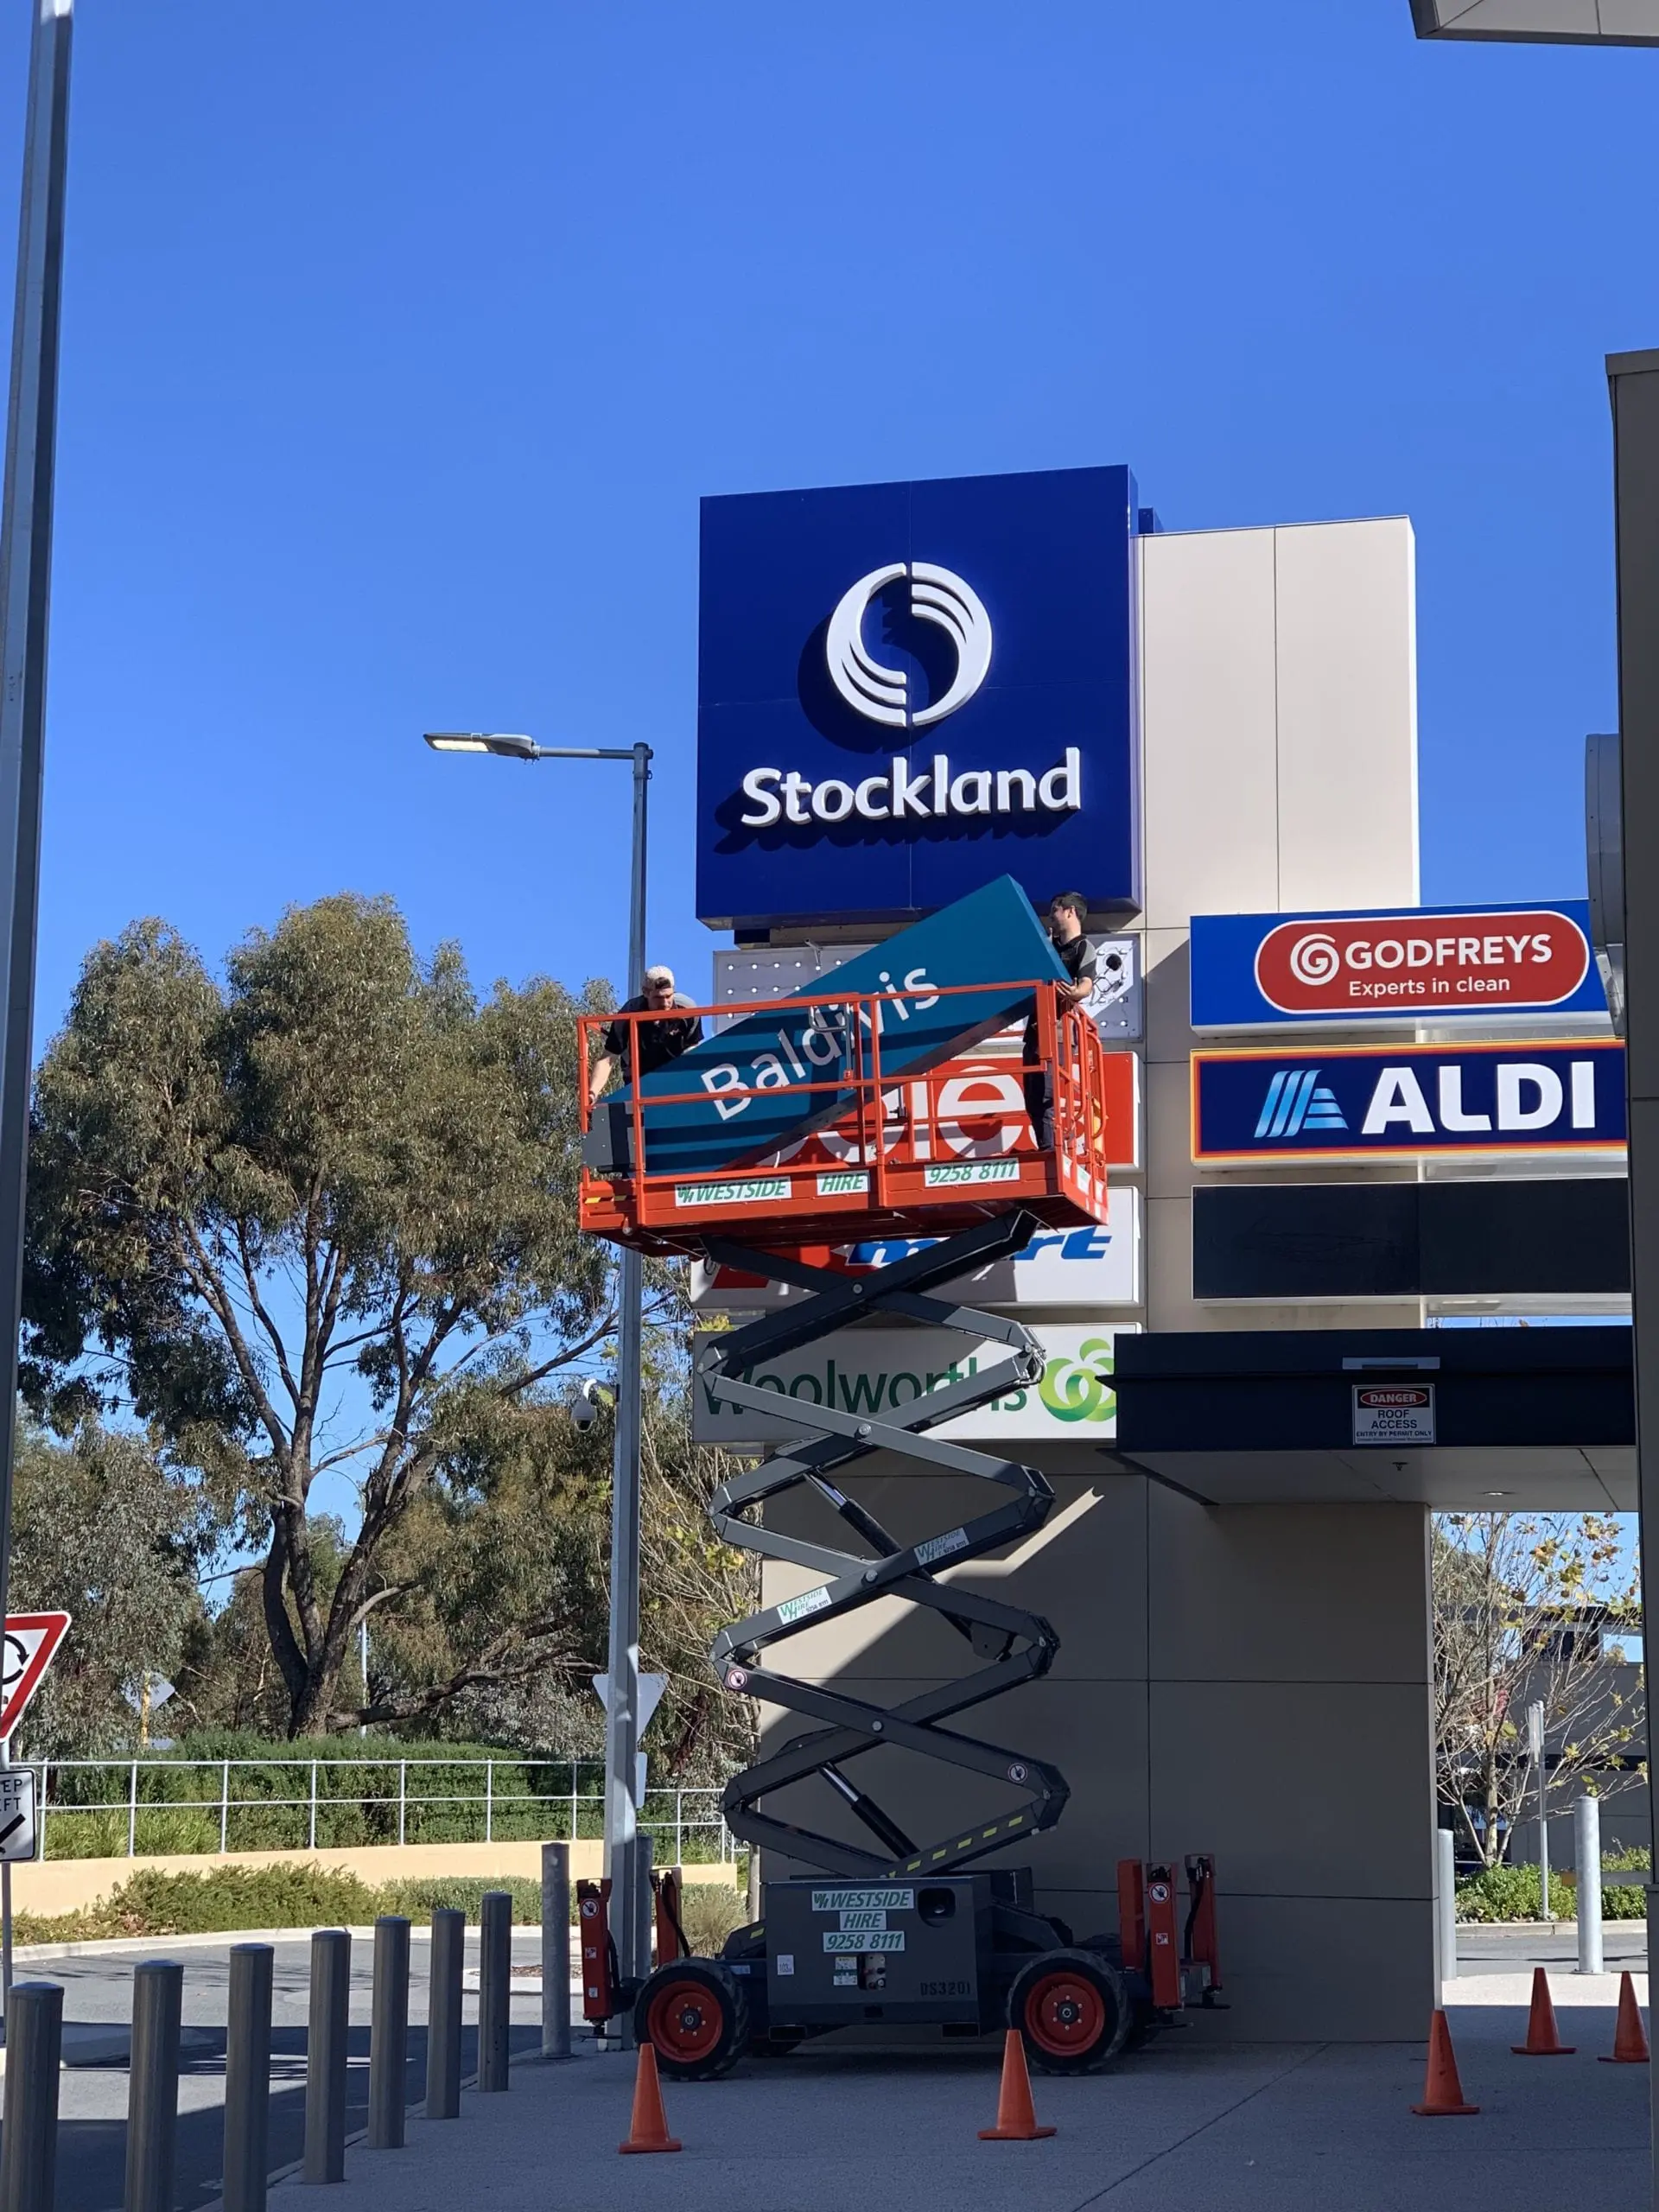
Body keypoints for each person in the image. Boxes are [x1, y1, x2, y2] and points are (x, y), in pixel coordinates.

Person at [1024, 892, 1098, 1145]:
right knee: (1032, 1100)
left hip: (1058, 1033)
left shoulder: (1082, 947)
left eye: (1055, 909)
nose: (1050, 916)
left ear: (1070, 911)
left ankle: (1049, 1150)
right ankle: (1046, 1147)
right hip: (1035, 1032)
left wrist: (1077, 992)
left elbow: (1086, 982)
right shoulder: (1048, 944)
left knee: (1047, 1097)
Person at [588, 963, 703, 1107]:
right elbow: (608, 1058)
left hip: (675, 1080)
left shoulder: (688, 1009)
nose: (665, 1004)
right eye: (658, 998)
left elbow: (693, 1049)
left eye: (669, 996)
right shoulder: (629, 1014)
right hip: (638, 1084)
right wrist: (592, 1093)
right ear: (645, 992)